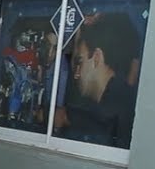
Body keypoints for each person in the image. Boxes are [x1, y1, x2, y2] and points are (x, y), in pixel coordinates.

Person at [59, 12, 140, 149]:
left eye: (80, 62)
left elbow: (106, 126)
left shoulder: (120, 99)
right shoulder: (108, 96)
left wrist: (69, 118)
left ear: (96, 58)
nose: (76, 74)